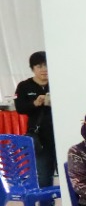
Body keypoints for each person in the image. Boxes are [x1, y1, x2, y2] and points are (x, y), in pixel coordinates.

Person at [14, 51, 53, 184]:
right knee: (43, 175)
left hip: (60, 133)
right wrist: (35, 103)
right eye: (40, 66)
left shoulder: (59, 83)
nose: (44, 69)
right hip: (40, 138)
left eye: (47, 65)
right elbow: (20, 108)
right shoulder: (24, 86)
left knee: (69, 173)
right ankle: (47, 204)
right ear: (33, 68)